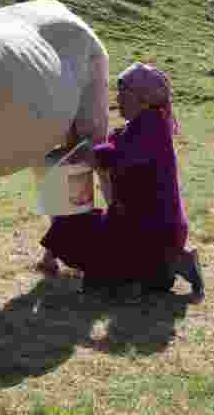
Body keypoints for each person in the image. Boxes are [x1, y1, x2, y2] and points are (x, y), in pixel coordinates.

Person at [36, 62, 204, 303]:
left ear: (143, 98)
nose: (118, 99)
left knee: (73, 233)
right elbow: (114, 149)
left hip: (148, 231)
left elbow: (118, 156)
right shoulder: (139, 126)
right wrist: (87, 152)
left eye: (124, 93)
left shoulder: (151, 127)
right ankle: (161, 268)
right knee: (71, 228)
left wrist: (86, 155)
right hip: (136, 227)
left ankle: (166, 264)